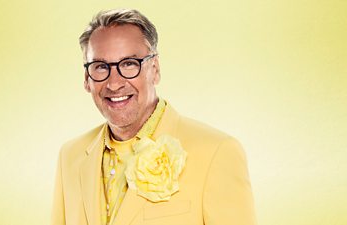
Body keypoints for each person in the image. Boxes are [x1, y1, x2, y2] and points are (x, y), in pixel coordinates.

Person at [51, 8, 257, 225]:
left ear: (155, 69)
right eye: (101, 67)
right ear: (86, 79)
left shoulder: (217, 151)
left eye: (129, 64)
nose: (114, 83)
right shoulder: (70, 156)